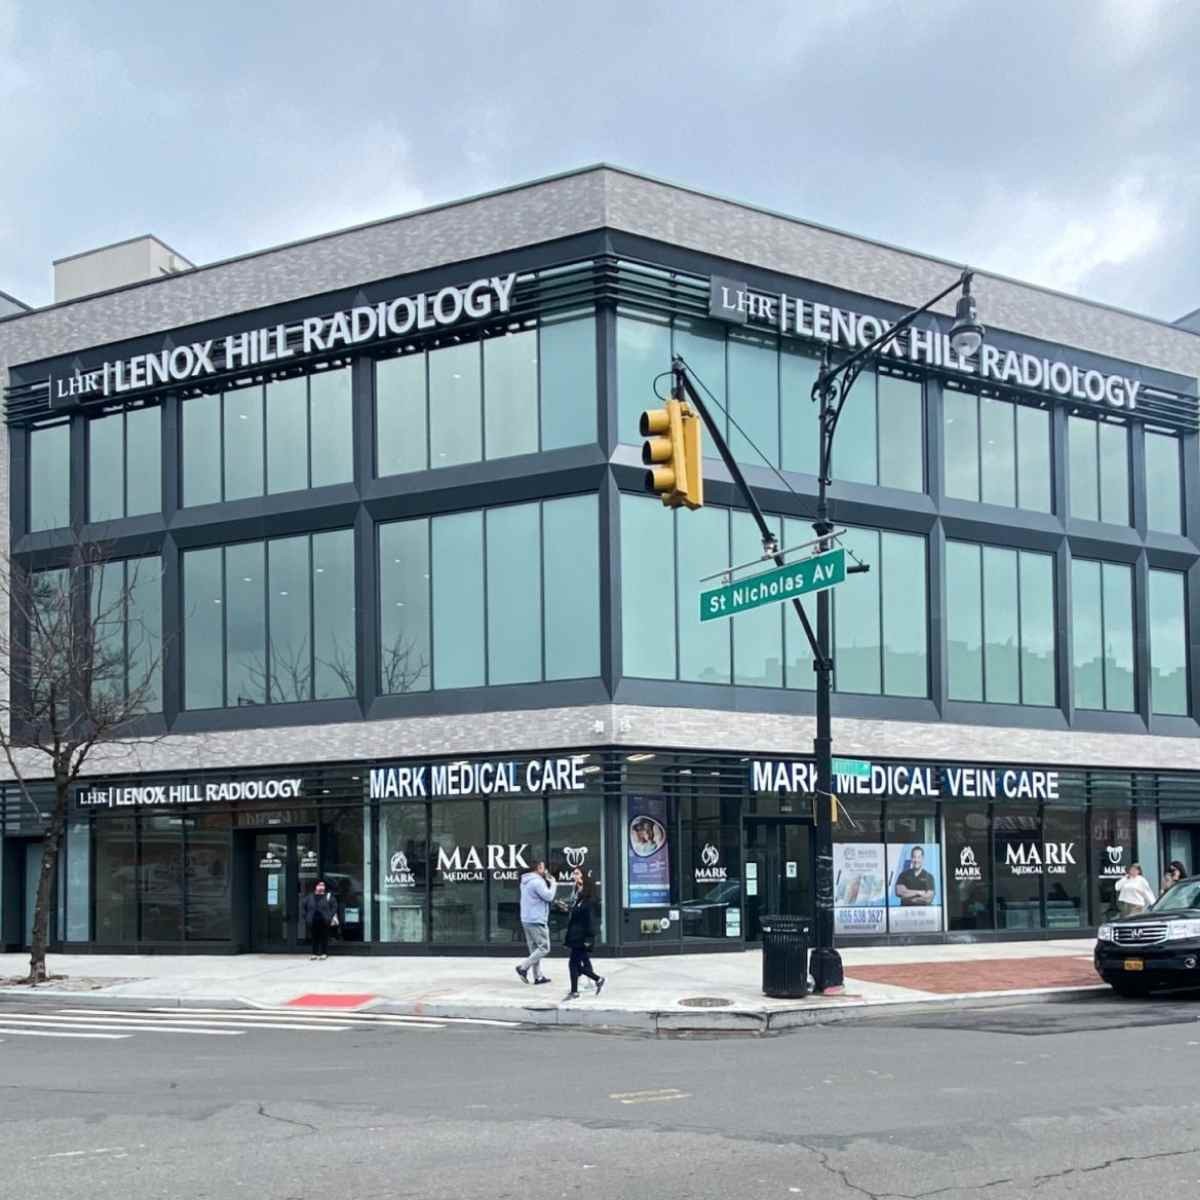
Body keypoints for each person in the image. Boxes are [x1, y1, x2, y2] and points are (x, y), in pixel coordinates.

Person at [563, 867, 605, 1001]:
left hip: (582, 937)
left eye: (578, 876)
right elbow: (576, 913)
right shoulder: (579, 897)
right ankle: (596, 980)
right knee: (576, 964)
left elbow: (591, 920)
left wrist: (588, 938)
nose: (575, 879)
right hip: (576, 935)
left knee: (573, 964)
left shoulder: (590, 900)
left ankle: (577, 990)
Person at [515, 860, 557, 986]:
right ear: (538, 868)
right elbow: (549, 896)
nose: (545, 870)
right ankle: (523, 967)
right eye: (543, 868)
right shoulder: (537, 882)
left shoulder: (525, 880)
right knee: (544, 948)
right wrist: (553, 883)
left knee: (534, 950)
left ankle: (538, 977)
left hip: (526, 919)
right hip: (536, 919)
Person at [302, 879, 338, 961]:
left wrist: (330, 916)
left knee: (324, 937)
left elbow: (334, 906)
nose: (321, 887)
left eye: (323, 885)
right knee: (314, 937)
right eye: (319, 885)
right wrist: (306, 916)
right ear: (315, 886)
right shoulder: (309, 896)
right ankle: (314, 954)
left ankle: (324, 953)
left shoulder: (328, 896)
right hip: (313, 920)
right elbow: (303, 907)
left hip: (324, 920)